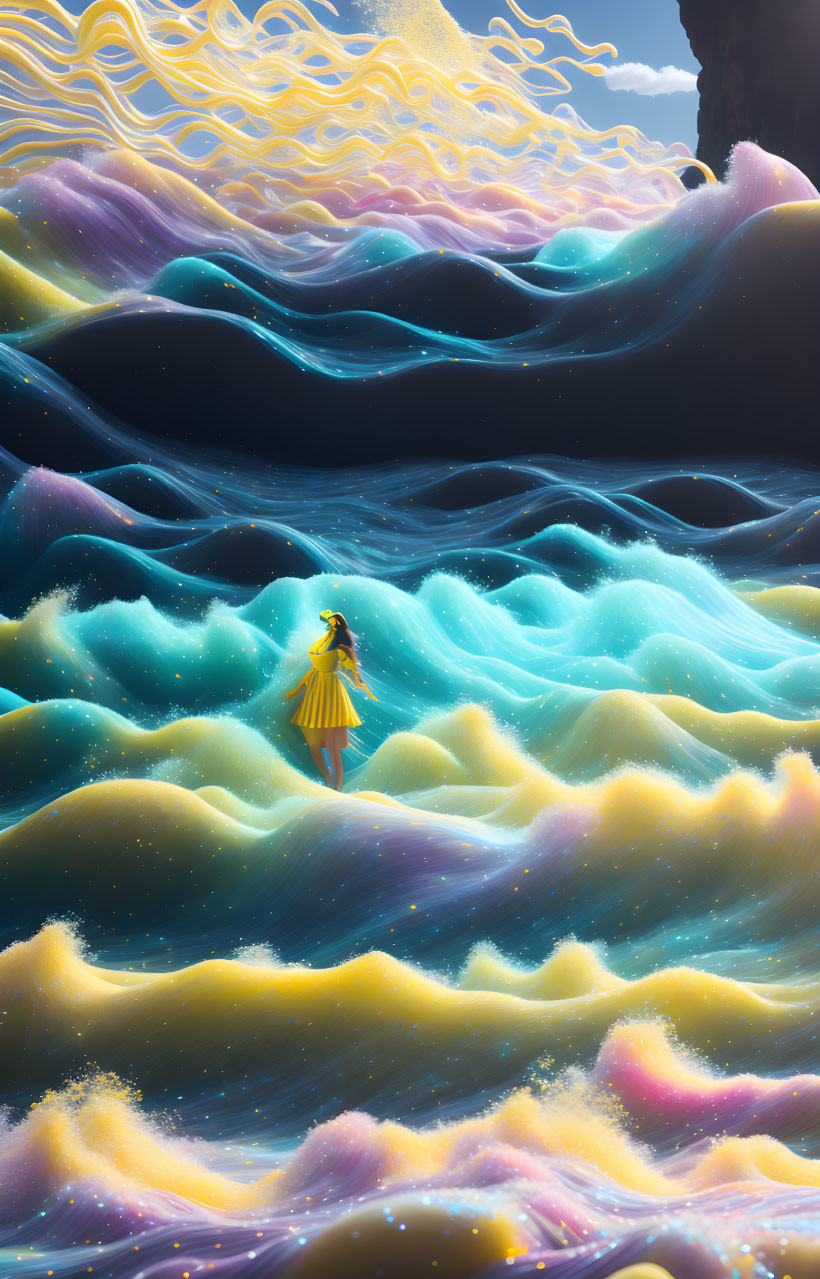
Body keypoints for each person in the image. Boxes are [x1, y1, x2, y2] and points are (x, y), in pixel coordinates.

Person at [285, 609, 377, 790]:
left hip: (331, 692)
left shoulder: (340, 648)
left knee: (332, 746)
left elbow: (355, 675)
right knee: (313, 742)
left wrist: (367, 691)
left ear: (336, 625)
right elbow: (313, 669)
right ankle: (328, 780)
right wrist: (296, 689)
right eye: (328, 623)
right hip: (316, 689)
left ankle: (337, 789)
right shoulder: (325, 641)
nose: (328, 625)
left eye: (331, 623)